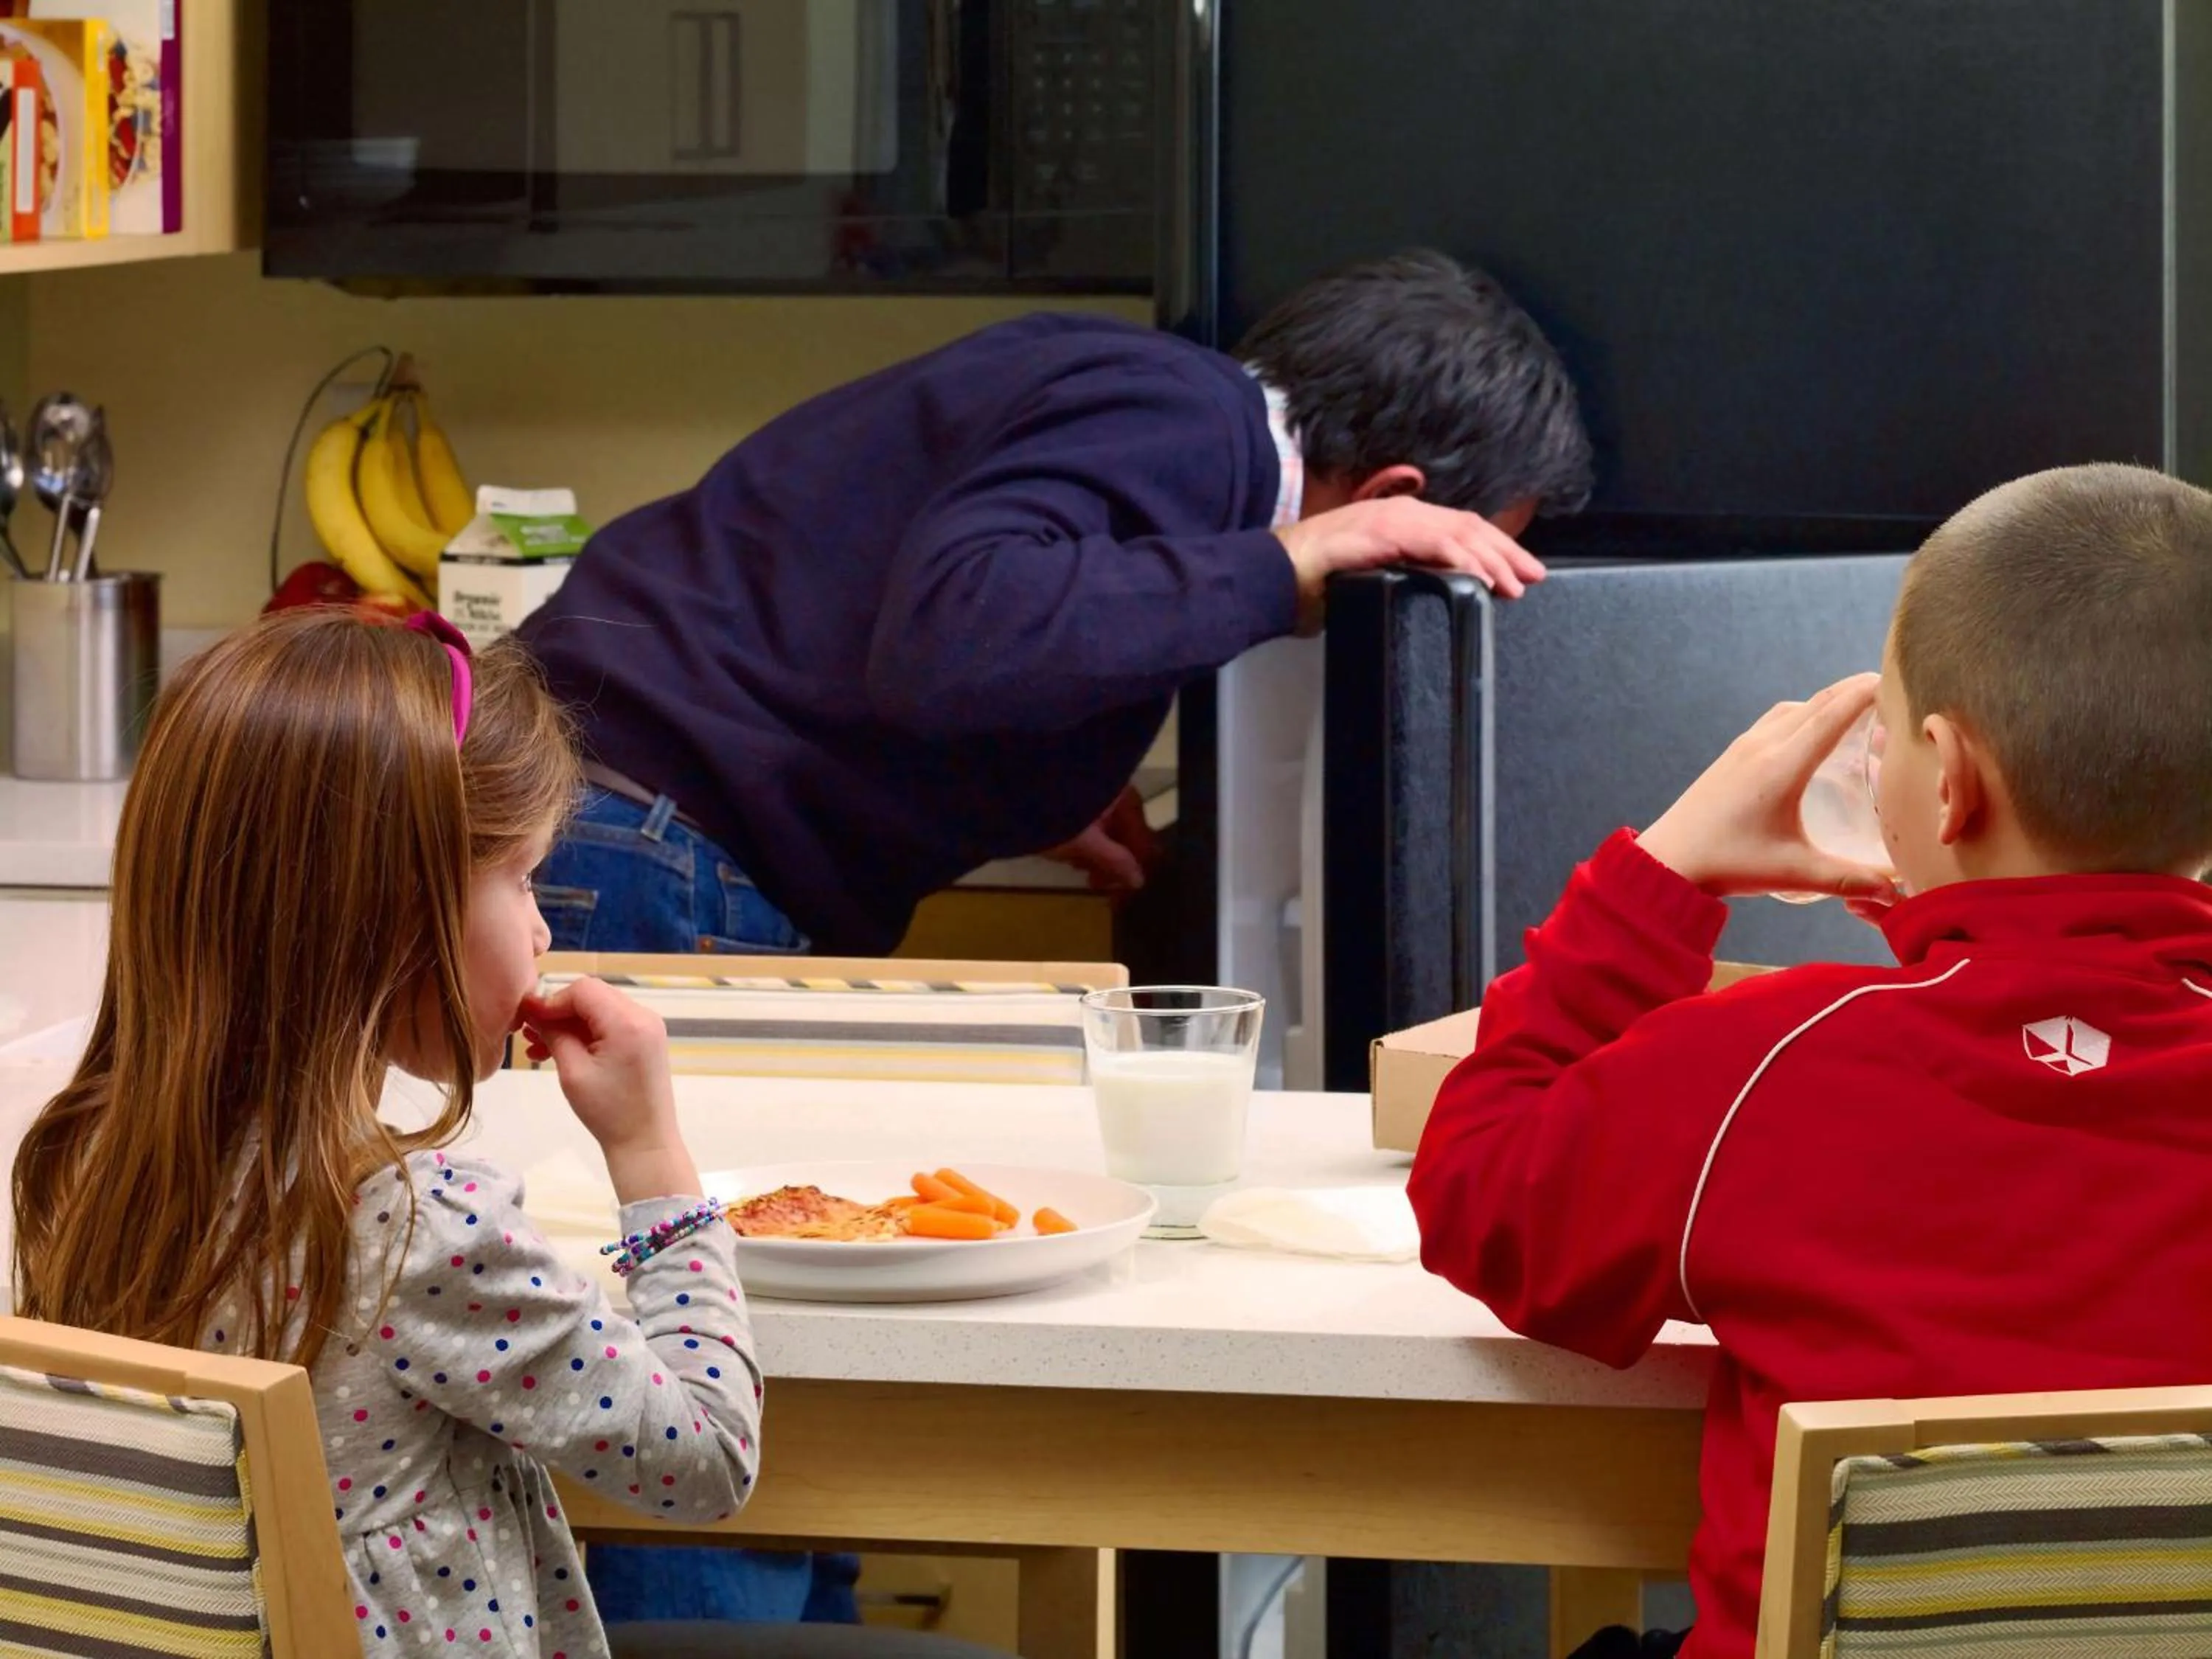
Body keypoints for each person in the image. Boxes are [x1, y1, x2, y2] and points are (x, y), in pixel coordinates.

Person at [1407, 464, 2212, 1659]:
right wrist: (1955, 938)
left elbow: (1480, 1190)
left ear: (1947, 776)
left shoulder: (1762, 1069)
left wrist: (1667, 872)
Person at [10, 609, 765, 1659]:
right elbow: (707, 1459)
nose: (544, 928)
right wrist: (651, 1160)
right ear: (396, 912)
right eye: (522, 877)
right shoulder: (422, 1230)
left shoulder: (76, 1165)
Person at [518, 248, 1593, 960]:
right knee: (662, 1283)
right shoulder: (1188, 422)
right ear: (1392, 501)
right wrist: (1289, 561)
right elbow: (954, 630)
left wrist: (1035, 788)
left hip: (608, 822)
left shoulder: (1153, 402)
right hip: (650, 854)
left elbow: (915, 624)